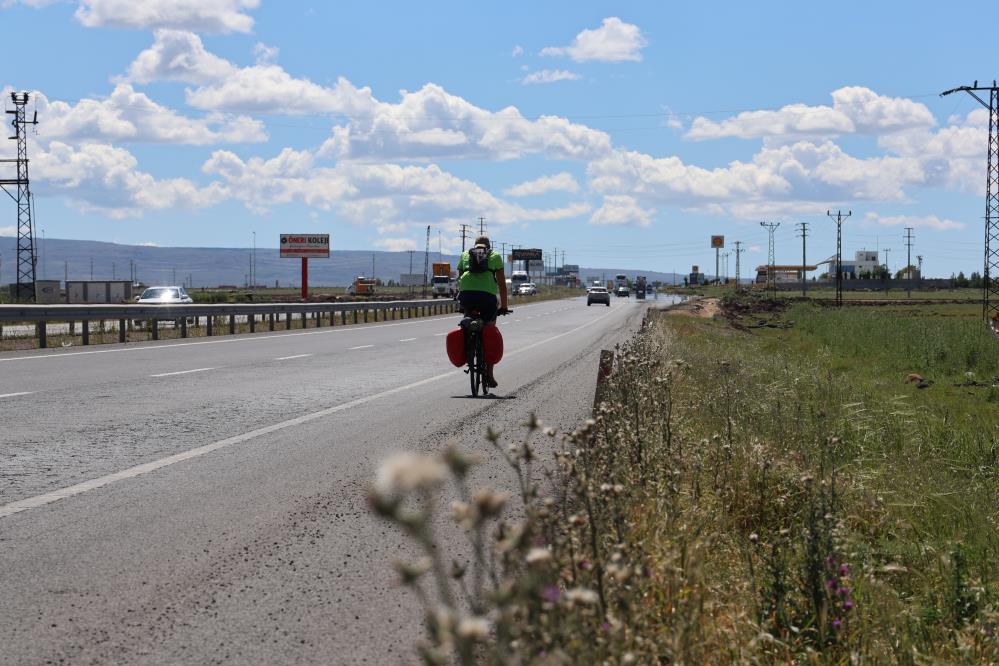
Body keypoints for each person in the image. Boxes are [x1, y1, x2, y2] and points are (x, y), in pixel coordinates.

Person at [456, 236, 509, 388]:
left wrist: (462, 304)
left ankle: (468, 350)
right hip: (487, 298)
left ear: (474, 246)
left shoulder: (465, 255)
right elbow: (502, 286)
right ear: (488, 246)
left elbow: (461, 280)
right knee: (490, 330)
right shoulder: (495, 256)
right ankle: (489, 375)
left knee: (467, 323)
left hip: (466, 297)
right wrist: (503, 307)